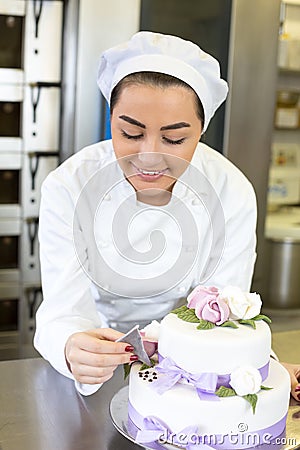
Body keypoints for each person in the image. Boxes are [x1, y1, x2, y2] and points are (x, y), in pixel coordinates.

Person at [34, 31, 299, 399]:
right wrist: (72, 345)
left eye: (174, 140)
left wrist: (256, 367)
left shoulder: (229, 190)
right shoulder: (69, 185)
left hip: (196, 369)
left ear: (202, 131)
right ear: (110, 120)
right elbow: (62, 311)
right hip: (99, 362)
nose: (149, 157)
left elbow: (226, 310)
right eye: (130, 133)